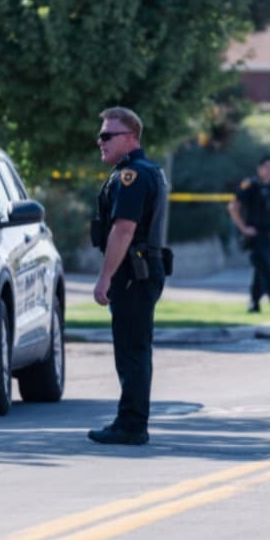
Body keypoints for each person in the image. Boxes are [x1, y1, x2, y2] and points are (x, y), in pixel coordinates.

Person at [87, 107, 170, 446]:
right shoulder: (148, 171)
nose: (101, 141)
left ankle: (132, 424)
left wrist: (104, 277)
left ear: (131, 137)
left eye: (108, 135)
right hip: (142, 270)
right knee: (135, 347)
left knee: (131, 349)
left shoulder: (131, 176)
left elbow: (123, 230)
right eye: (100, 135)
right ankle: (132, 420)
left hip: (133, 273)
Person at [228, 155, 270, 313]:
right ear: (259, 169)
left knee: (260, 271)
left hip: (268, 236)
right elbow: (233, 207)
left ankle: (254, 304)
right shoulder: (250, 185)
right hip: (255, 236)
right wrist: (243, 228)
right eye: (267, 167)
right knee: (266, 270)